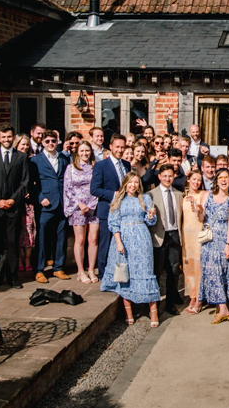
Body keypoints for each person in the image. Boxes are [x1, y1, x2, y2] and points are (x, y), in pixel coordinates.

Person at [100, 173, 162, 327]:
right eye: (131, 182)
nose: (133, 185)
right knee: (125, 274)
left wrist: (151, 215)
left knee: (145, 272)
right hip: (124, 238)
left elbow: (150, 221)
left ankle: (153, 312)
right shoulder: (118, 199)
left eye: (136, 182)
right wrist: (119, 242)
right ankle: (129, 312)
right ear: (125, 184)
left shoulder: (145, 198)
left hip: (141, 237)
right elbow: (113, 223)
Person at [0, 125, 30, 289]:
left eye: (9, 137)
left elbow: (24, 182)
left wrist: (13, 200)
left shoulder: (21, 157)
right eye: (3, 137)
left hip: (14, 208)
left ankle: (13, 277)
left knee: (13, 244)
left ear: (13, 137)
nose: (7, 140)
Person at [197, 168, 229, 324]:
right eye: (220, 177)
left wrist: (228, 245)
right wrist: (199, 211)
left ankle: (223, 308)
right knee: (211, 271)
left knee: (222, 273)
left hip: (223, 240)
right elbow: (202, 218)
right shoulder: (207, 196)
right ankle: (222, 307)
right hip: (208, 240)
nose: (223, 180)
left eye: (226, 177)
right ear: (216, 180)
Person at [31, 129, 71, 282]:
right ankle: (39, 269)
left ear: (57, 142)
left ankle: (58, 267)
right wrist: (41, 197)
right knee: (42, 237)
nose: (50, 144)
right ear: (42, 143)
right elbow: (31, 183)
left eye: (53, 141)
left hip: (61, 202)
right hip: (45, 203)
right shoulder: (36, 160)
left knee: (61, 237)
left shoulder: (63, 159)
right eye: (47, 141)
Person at [90, 134, 131, 276]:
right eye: (117, 147)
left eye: (122, 147)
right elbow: (94, 189)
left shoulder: (126, 165)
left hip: (123, 211)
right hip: (106, 209)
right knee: (105, 243)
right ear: (111, 147)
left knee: (119, 243)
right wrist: (114, 194)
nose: (120, 150)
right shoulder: (101, 165)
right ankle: (103, 274)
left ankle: (118, 273)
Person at [146, 163, 183, 316]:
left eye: (170, 176)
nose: (168, 179)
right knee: (157, 271)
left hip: (174, 234)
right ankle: (154, 305)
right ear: (159, 177)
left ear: (174, 177)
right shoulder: (150, 195)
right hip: (159, 236)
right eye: (165, 176)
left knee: (174, 271)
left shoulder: (179, 194)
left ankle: (170, 303)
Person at [64, 140, 99, 283]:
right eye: (82, 151)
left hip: (93, 206)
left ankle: (91, 269)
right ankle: (80, 271)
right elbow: (68, 188)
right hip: (78, 208)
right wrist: (80, 204)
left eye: (87, 151)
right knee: (80, 240)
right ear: (77, 152)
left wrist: (91, 204)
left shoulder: (95, 167)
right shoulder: (71, 168)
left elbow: (99, 185)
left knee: (93, 239)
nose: (85, 153)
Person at [180, 170, 205, 314]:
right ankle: (191, 295)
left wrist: (199, 209)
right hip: (186, 235)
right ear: (188, 179)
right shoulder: (182, 195)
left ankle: (199, 298)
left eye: (199, 180)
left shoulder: (202, 195)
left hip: (198, 234)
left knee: (198, 266)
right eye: (194, 179)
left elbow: (202, 218)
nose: (196, 182)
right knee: (188, 266)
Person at [12, 135, 37, 274]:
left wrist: (30, 192)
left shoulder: (31, 161)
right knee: (17, 231)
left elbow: (33, 181)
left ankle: (28, 259)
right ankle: (19, 259)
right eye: (22, 144)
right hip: (16, 201)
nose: (25, 147)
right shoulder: (12, 160)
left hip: (28, 202)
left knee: (29, 231)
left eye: (27, 145)